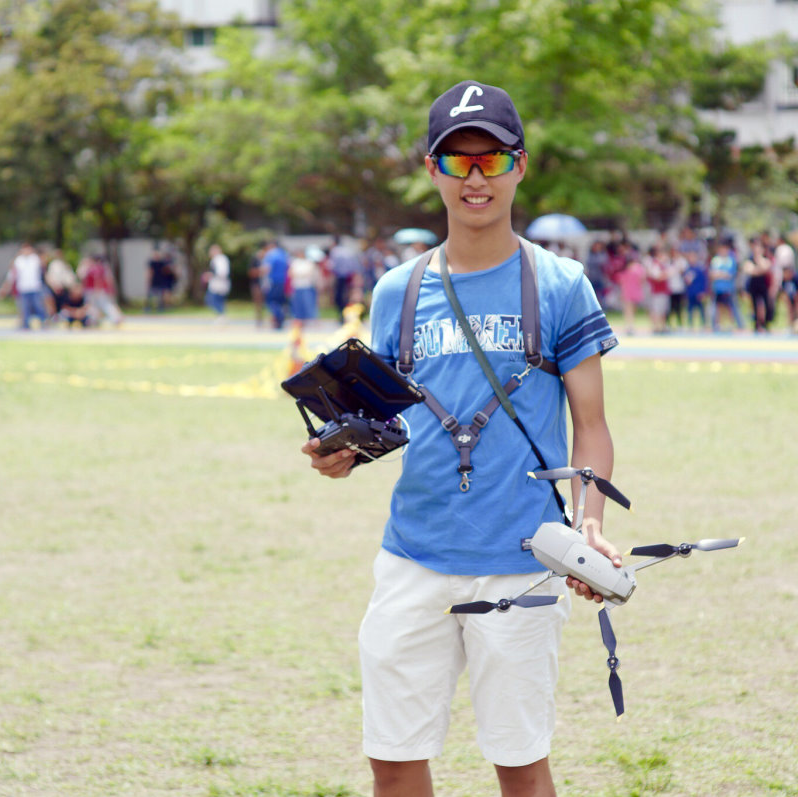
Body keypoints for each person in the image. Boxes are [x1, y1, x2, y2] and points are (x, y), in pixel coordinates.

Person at [302, 79, 621, 797]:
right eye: (456, 161)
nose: (474, 178)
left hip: (522, 562)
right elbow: (385, 418)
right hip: (412, 556)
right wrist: (344, 454)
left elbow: (591, 427)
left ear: (520, 166)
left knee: (519, 765)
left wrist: (589, 526)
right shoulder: (397, 291)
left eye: (490, 160)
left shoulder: (561, 284)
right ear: (430, 170)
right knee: (392, 760)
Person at [0, 242, 46, 330]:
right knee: (24, 308)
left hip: (34, 287)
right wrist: (5, 288)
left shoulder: (35, 259)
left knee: (38, 306)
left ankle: (44, 322)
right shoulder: (18, 261)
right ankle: (26, 325)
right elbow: (12, 275)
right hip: (23, 288)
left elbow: (43, 265)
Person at [709, 240, 743, 332]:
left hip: (728, 288)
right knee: (717, 307)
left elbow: (730, 274)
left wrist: (720, 274)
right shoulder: (716, 260)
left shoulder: (731, 260)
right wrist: (721, 274)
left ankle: (735, 324)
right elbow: (712, 274)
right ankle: (717, 324)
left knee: (732, 307)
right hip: (717, 288)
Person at [261, 239, 290, 329]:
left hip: (273, 281)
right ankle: (282, 317)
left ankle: (279, 318)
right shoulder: (284, 254)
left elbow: (266, 268)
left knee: (271, 301)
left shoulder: (271, 254)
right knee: (281, 301)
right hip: (284, 281)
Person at [288, 249, 320, 324]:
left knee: (308, 304)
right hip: (297, 286)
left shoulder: (308, 262)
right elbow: (291, 273)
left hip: (306, 286)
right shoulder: (295, 262)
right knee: (297, 305)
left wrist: (298, 273)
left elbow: (308, 273)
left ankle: (311, 320)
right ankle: (299, 320)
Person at [204, 244, 230, 320]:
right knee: (215, 300)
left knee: (213, 300)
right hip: (217, 283)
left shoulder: (220, 259)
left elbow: (222, 272)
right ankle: (221, 315)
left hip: (219, 284)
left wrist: (210, 275)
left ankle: (221, 315)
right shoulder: (216, 259)